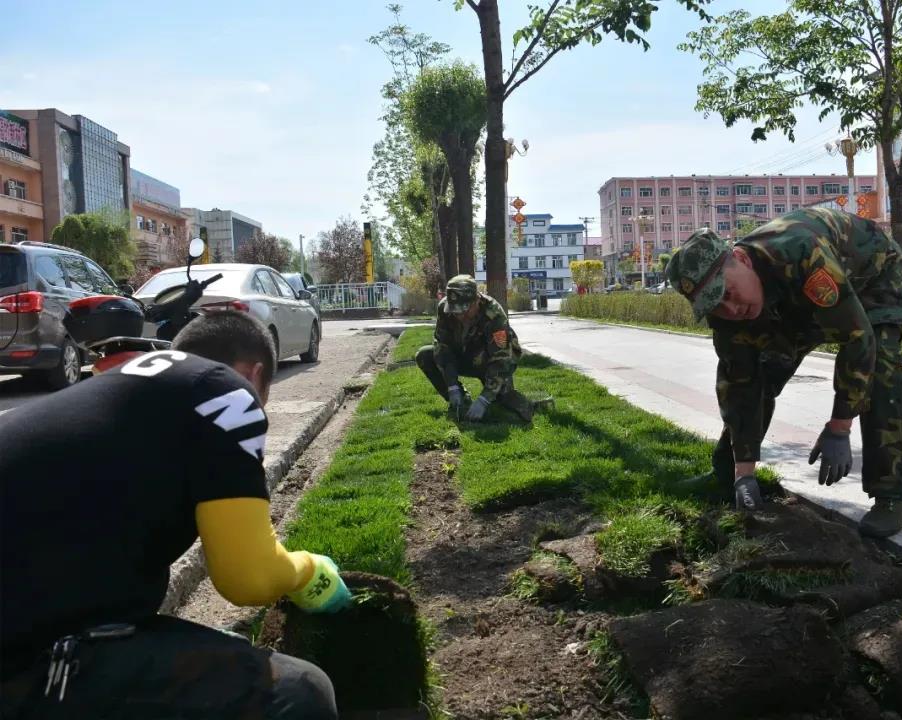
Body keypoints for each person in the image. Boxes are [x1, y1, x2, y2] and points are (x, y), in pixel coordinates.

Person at [1, 311, 346, 719]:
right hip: (24, 661)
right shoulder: (226, 394)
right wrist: (308, 571)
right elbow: (248, 579)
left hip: (29, 623)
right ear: (254, 376)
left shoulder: (127, 388)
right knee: (299, 691)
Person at [666, 208, 902, 538]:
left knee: (882, 370)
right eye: (716, 304)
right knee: (761, 370)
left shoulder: (802, 252)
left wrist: (839, 426)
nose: (729, 309)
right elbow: (740, 382)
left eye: (728, 293)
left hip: (872, 279)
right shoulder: (724, 312)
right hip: (793, 299)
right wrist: (744, 472)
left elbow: (857, 338)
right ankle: (727, 475)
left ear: (742, 260)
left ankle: (890, 496)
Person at [415, 274, 545, 423]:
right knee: (425, 355)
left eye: (464, 311)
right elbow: (442, 345)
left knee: (504, 402)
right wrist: (452, 387)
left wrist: (484, 399)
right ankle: (461, 401)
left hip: (489, 361)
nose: (459, 316)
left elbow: (502, 358)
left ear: (476, 300)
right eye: (456, 311)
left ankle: (531, 406)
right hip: (463, 356)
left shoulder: (493, 313)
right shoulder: (445, 310)